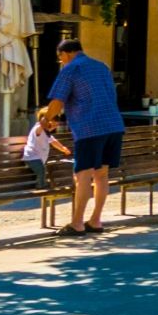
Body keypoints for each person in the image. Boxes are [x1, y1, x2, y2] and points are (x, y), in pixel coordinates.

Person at [47, 35, 124, 237]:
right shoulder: (102, 67)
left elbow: (57, 101)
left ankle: (77, 223)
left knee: (83, 176)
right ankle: (95, 220)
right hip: (113, 125)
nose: (61, 61)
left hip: (90, 128)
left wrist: (47, 119)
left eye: (60, 58)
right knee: (102, 175)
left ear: (66, 54)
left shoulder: (71, 69)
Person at [22, 106, 68, 188]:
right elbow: (40, 128)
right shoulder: (38, 129)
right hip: (31, 157)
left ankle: (43, 184)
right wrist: (46, 120)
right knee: (42, 170)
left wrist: (63, 148)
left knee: (42, 170)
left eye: (55, 125)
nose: (53, 127)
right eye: (51, 124)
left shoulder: (47, 133)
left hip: (37, 158)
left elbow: (54, 142)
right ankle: (40, 185)